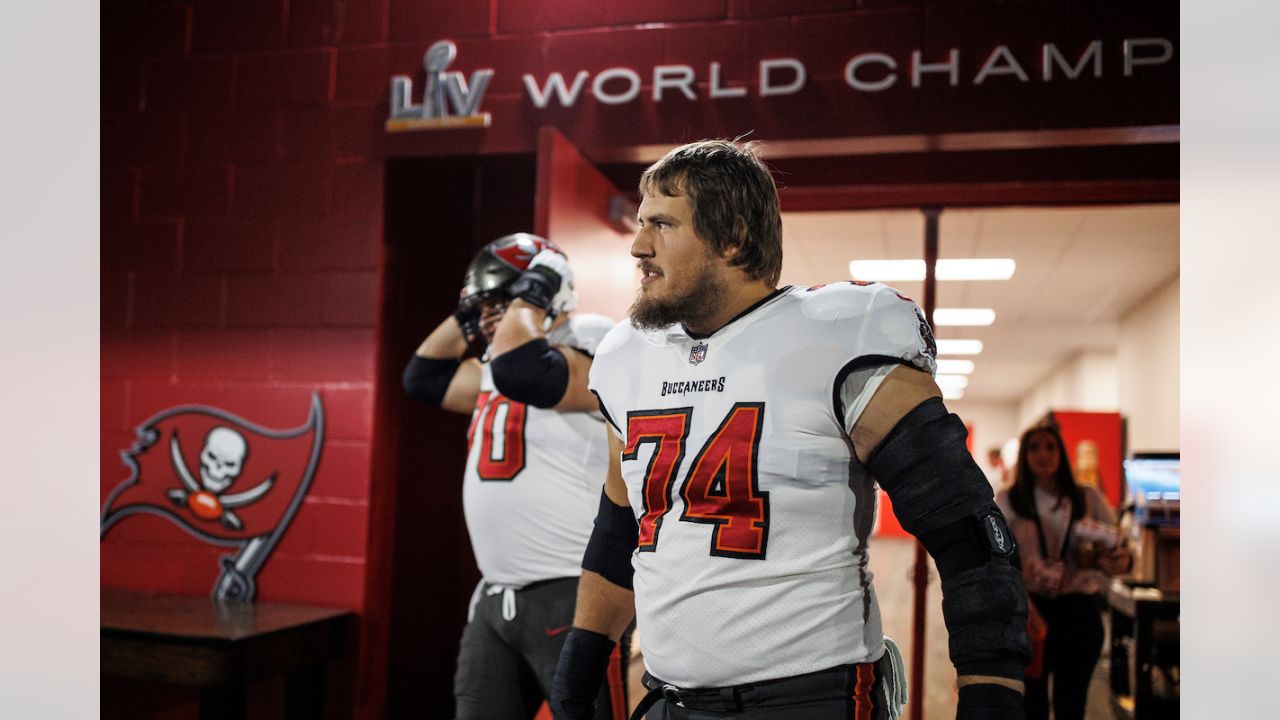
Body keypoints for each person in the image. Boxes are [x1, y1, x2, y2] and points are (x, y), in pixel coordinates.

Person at [549, 140, 1031, 720]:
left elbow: (967, 532)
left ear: (733, 236)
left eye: (662, 223)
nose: (638, 245)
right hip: (670, 698)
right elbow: (618, 530)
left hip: (810, 699)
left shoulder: (840, 337)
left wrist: (991, 692)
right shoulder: (628, 355)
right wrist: (578, 667)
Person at [403, 233, 626, 720]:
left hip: (570, 588)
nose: (488, 318)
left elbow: (526, 370)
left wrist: (539, 286)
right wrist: (474, 309)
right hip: (496, 594)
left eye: (502, 301)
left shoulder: (584, 334)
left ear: (546, 292)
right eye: (484, 308)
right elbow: (421, 376)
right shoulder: (495, 365)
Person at [996, 424, 1132, 720]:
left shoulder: (1086, 497)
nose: (1042, 454)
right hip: (1030, 610)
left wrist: (1112, 560)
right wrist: (1022, 606)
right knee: (1031, 705)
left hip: (1078, 611)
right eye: (1034, 447)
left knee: (1072, 704)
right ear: (1024, 455)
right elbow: (998, 559)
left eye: (1050, 446)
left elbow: (1120, 553)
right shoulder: (1009, 499)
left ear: (1062, 453)